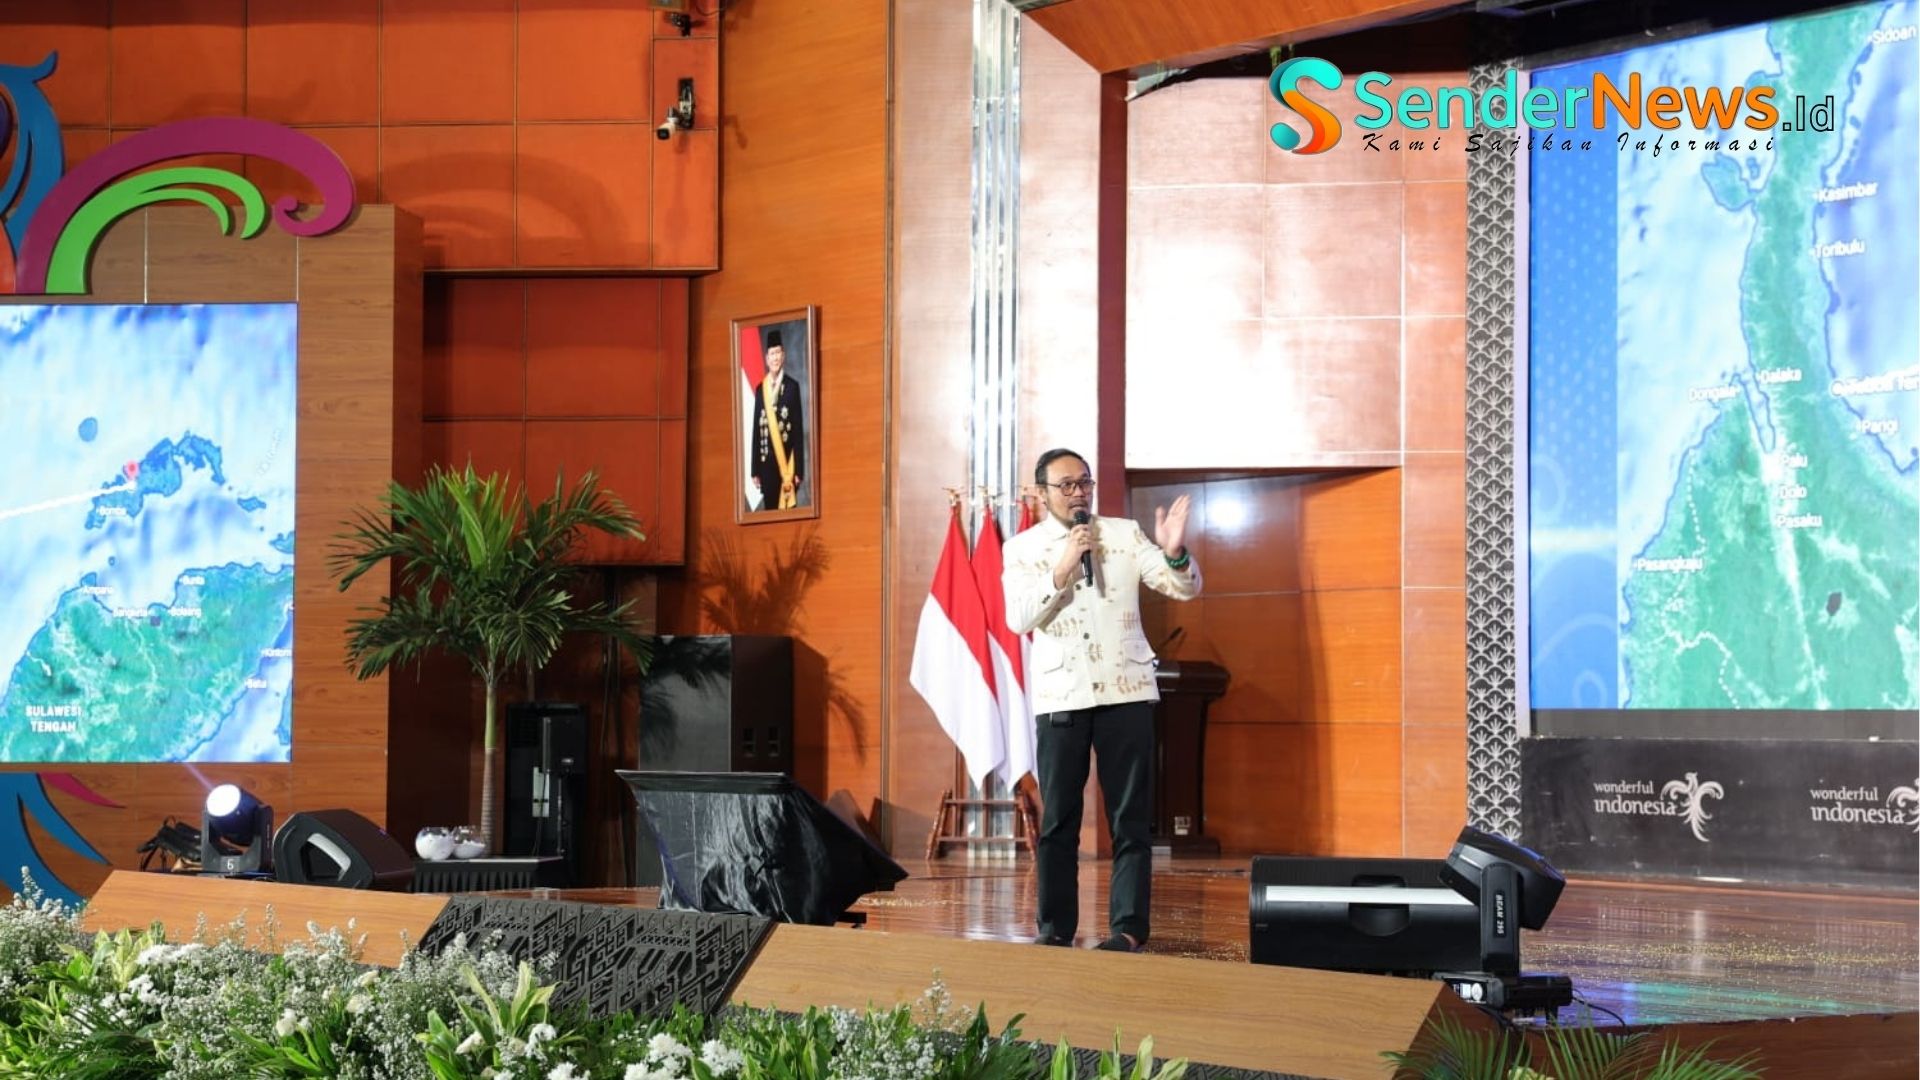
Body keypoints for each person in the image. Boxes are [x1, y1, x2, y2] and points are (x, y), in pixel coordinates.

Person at [1001, 448, 1199, 952]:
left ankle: (1127, 929)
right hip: (1062, 695)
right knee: (1059, 821)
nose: (1078, 494)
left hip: (1125, 690)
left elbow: (1180, 586)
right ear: (1042, 493)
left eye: (1084, 483)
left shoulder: (1124, 534)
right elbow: (1018, 617)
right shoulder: (1022, 548)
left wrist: (1175, 551)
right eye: (1066, 485)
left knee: (1130, 819)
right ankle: (1055, 928)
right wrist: (1064, 566)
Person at [750, 329, 805, 511]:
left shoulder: (792, 387)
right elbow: (756, 431)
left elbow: (798, 432)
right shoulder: (760, 390)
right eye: (772, 354)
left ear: (783, 356)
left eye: (778, 353)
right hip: (766, 468)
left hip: (787, 468)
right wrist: (755, 470)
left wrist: (799, 471)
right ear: (767, 358)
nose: (775, 358)